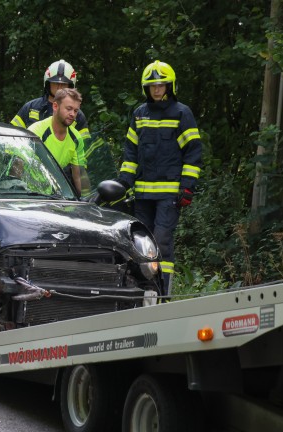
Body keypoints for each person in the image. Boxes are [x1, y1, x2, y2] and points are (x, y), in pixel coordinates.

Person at [117, 60, 202, 298]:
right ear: (146, 88)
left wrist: (187, 188)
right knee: (141, 243)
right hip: (143, 194)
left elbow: (193, 152)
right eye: (152, 85)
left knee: (162, 242)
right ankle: (143, 292)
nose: (157, 89)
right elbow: (131, 153)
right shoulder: (139, 114)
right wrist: (124, 182)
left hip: (169, 195)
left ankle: (163, 293)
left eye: (161, 85)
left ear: (169, 86)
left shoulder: (182, 113)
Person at [11, 59, 92, 191]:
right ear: (47, 84)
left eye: (64, 84)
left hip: (64, 181)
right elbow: (12, 138)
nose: (59, 88)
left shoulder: (78, 116)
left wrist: (85, 196)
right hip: (31, 180)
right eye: (55, 83)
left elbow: (82, 152)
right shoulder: (31, 108)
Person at [28, 88, 90, 196]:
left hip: (55, 195)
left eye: (76, 111)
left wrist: (89, 200)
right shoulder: (36, 132)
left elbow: (79, 176)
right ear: (55, 106)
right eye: (69, 109)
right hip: (28, 193)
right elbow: (18, 165)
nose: (72, 114)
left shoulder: (76, 138)